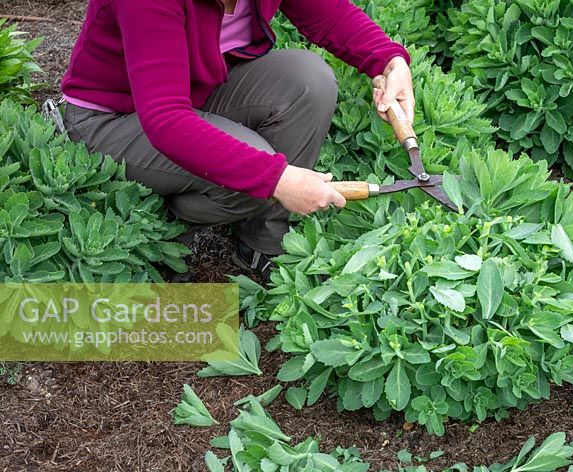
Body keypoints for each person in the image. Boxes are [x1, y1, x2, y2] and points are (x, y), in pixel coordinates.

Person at [60, 0, 414, 279]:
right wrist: (275, 178)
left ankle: (262, 242)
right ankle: (162, 224)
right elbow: (165, 119)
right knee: (254, 174)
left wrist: (390, 61)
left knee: (309, 80)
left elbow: (330, 17)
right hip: (113, 118)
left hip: (194, 93)